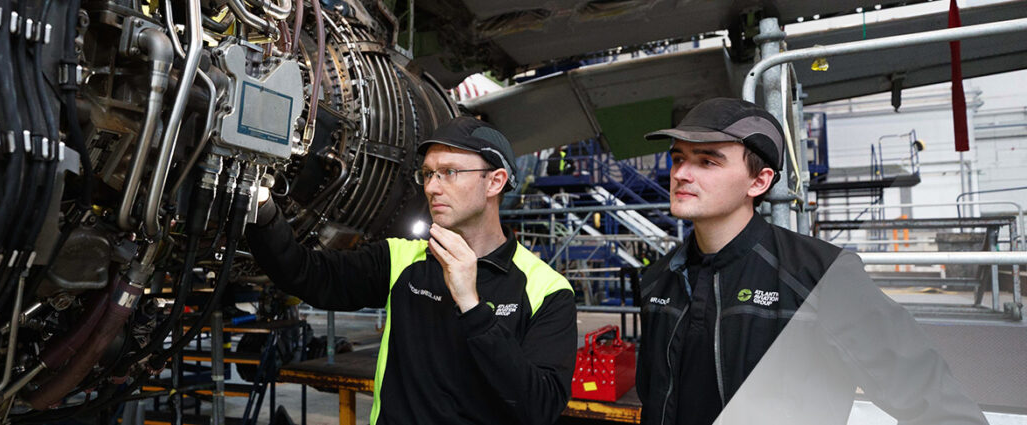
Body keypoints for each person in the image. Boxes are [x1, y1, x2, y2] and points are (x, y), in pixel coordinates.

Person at [635, 97, 987, 425]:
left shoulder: (819, 278)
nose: (681, 173)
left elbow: (936, 403)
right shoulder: (658, 281)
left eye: (707, 161)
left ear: (759, 181)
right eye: (679, 158)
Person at [246, 117, 577, 424]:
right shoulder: (402, 260)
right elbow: (303, 272)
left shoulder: (546, 290)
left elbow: (540, 406)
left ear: (495, 182)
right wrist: (262, 206)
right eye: (428, 173)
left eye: (449, 172)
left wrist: (472, 306)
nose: (432, 187)